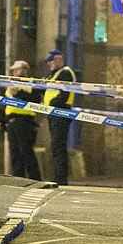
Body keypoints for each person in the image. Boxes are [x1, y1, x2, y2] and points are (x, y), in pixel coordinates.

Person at [0, 60, 42, 180]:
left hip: (25, 122)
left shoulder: (32, 82)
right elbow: (5, 103)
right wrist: (0, 120)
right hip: (11, 122)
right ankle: (19, 179)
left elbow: (36, 99)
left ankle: (34, 178)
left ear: (25, 70)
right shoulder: (11, 84)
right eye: (14, 70)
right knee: (15, 153)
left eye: (17, 69)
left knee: (26, 151)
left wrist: (19, 93)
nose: (15, 72)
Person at [43, 50, 76, 185]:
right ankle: (59, 177)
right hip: (54, 113)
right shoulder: (55, 74)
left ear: (58, 60)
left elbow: (64, 94)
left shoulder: (65, 73)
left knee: (58, 146)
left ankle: (61, 179)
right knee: (56, 145)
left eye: (51, 62)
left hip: (60, 112)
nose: (49, 65)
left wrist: (52, 103)